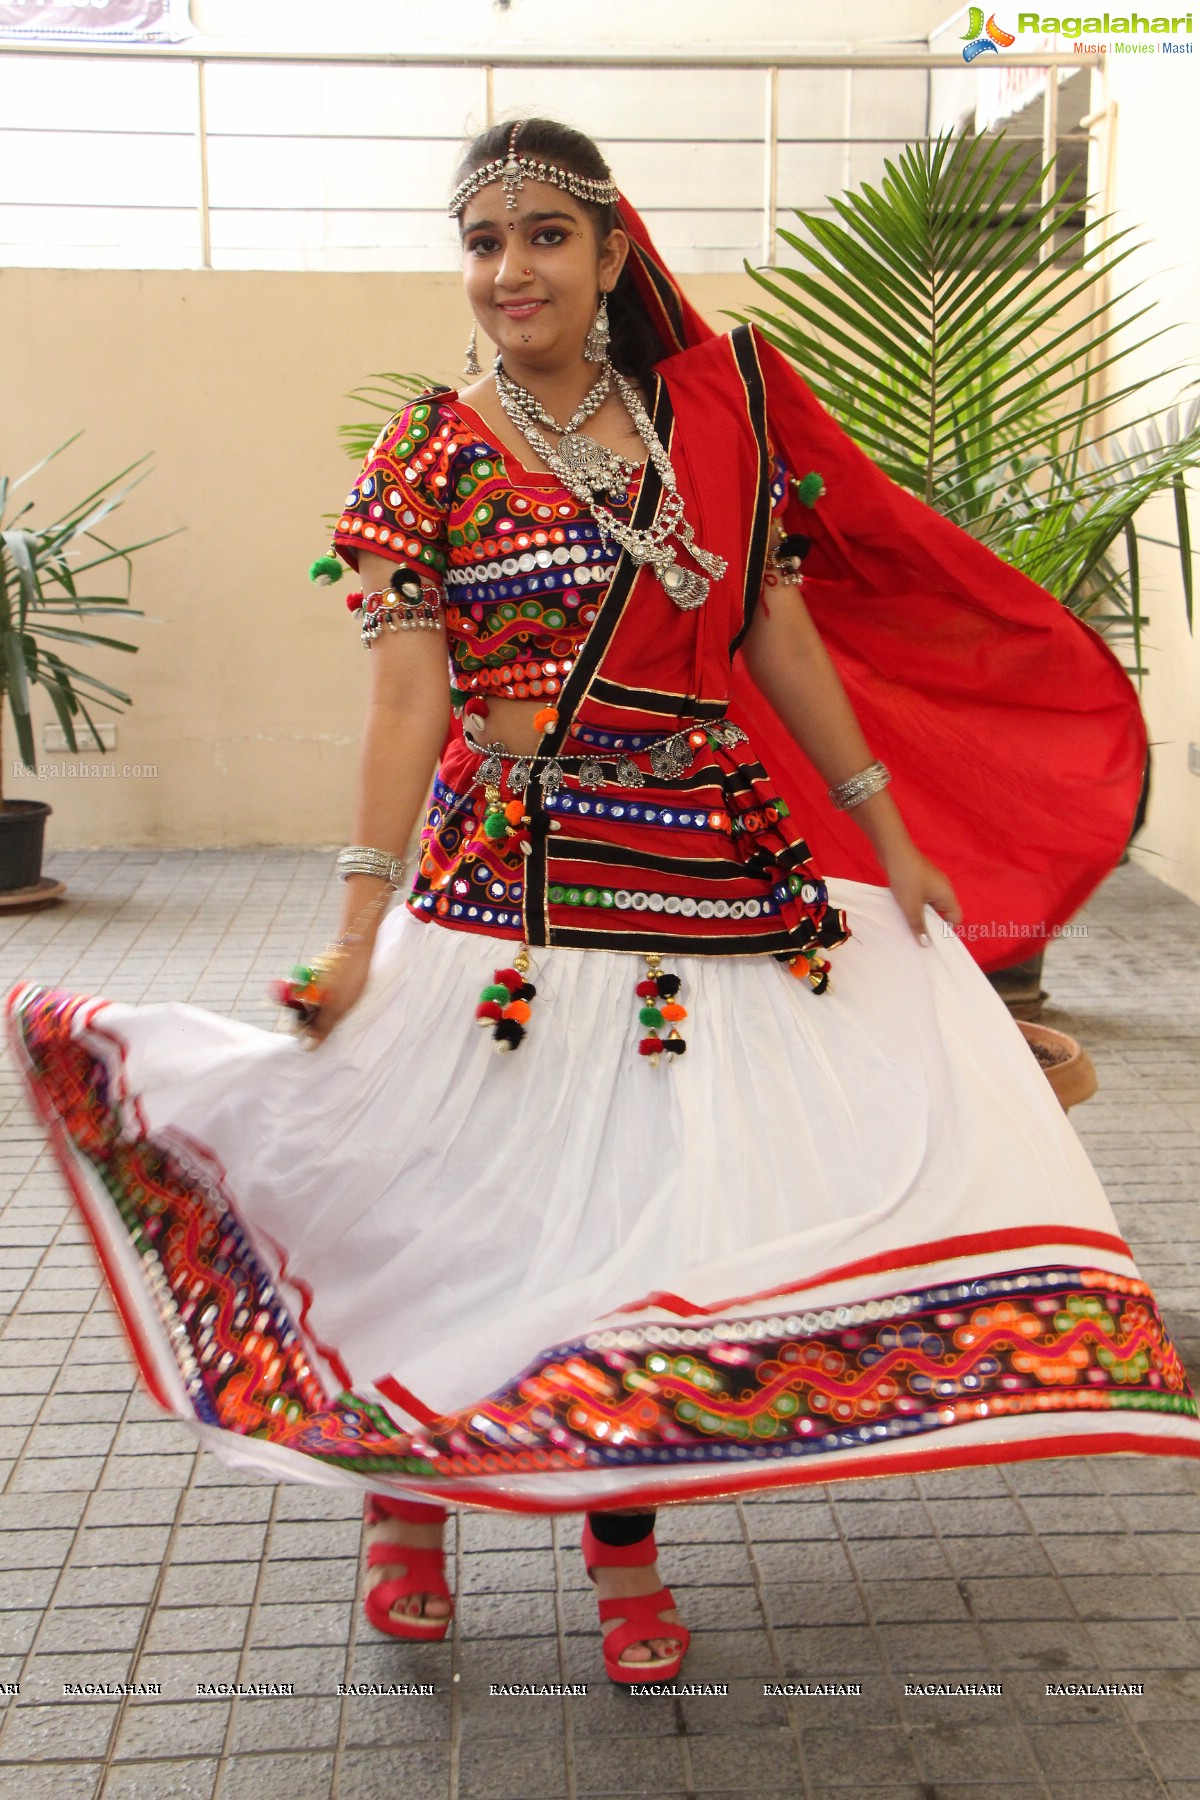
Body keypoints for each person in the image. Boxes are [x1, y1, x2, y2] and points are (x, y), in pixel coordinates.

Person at [9, 117, 1199, 1688]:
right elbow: (400, 705)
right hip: (495, 883)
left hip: (706, 865)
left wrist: (885, 828)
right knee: (441, 1202)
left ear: (614, 255)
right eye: (484, 240)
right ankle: (410, 1509)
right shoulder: (426, 449)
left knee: (654, 1221)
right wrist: (358, 932)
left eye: (545, 236)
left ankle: (621, 1529)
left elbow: (778, 630)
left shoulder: (711, 430)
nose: (511, 269)